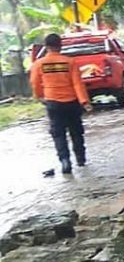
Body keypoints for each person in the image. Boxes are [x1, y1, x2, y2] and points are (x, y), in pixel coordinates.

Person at [30, 33, 93, 174]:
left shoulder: (39, 64)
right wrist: (85, 102)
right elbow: (78, 84)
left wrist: (40, 96)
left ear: (46, 47)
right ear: (60, 46)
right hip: (72, 102)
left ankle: (65, 161)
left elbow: (35, 83)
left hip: (53, 102)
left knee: (58, 133)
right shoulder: (70, 62)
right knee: (76, 131)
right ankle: (81, 159)